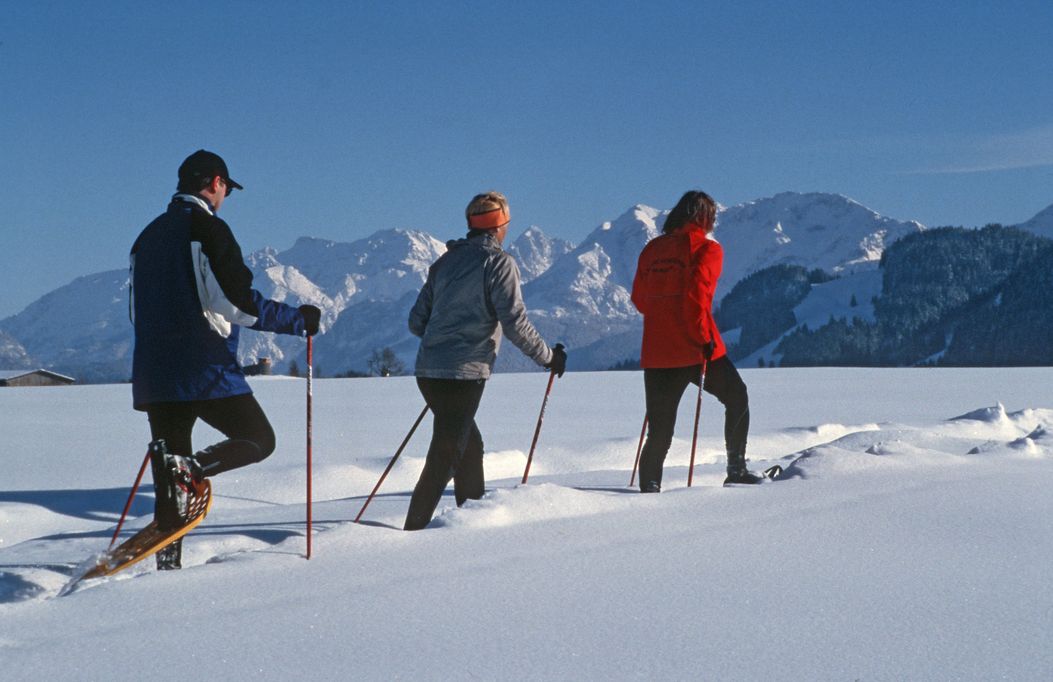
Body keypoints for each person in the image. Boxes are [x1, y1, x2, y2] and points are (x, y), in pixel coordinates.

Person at [130, 149, 322, 569]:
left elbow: (134, 310)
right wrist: (298, 320)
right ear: (216, 183)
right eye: (226, 190)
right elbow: (238, 303)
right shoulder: (209, 229)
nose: (225, 198)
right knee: (258, 439)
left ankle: (166, 571)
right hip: (204, 368)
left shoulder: (146, 236)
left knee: (171, 485)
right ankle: (193, 468)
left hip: (154, 373)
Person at [404, 191, 567, 530]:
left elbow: (416, 322)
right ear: (499, 226)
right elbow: (515, 323)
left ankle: (472, 523)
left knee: (468, 447)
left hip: (428, 371)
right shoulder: (499, 264)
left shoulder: (444, 263)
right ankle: (413, 534)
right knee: (446, 455)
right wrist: (549, 357)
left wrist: (444, 339)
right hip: (465, 373)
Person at [630, 190, 759, 491]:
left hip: (658, 352)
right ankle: (736, 469)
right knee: (736, 396)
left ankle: (649, 488)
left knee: (659, 430)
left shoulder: (652, 250)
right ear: (704, 217)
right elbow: (696, 297)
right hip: (696, 348)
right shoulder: (707, 250)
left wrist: (663, 316)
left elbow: (639, 298)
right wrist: (702, 336)